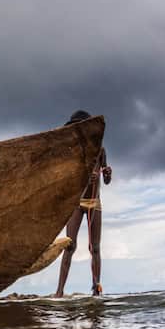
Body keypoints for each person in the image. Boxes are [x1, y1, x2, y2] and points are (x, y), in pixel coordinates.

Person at [54, 111, 112, 297]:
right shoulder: (72, 152)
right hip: (77, 202)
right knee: (70, 245)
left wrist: (107, 174)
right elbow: (68, 179)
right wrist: (86, 176)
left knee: (95, 248)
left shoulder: (100, 150)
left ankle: (96, 289)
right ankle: (59, 291)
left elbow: (107, 179)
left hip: (95, 203)